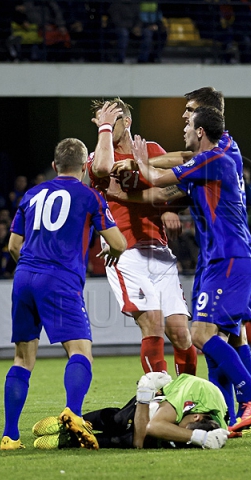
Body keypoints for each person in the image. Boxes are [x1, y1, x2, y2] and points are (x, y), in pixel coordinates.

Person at [114, 106, 251, 434]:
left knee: (201, 335)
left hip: (226, 258)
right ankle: (231, 417)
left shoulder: (214, 159)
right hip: (221, 259)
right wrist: (122, 194)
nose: (184, 129)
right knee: (218, 340)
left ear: (201, 130)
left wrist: (139, 161)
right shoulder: (203, 169)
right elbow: (160, 190)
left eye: (188, 122)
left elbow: (160, 176)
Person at [0, 119, 128, 450]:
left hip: (24, 277)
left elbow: (14, 245)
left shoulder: (32, 193)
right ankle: (73, 413)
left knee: (22, 359)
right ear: (86, 165)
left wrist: (31, 270)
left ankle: (10, 436)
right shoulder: (89, 196)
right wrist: (109, 249)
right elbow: (119, 242)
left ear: (55, 165)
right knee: (80, 351)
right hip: (59, 280)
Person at [89, 97, 196, 377]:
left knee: (181, 333)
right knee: (153, 322)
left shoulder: (150, 150)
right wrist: (105, 129)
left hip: (158, 248)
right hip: (123, 248)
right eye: (104, 122)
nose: (110, 127)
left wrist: (165, 209)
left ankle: (190, 402)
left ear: (128, 121)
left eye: (114, 120)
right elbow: (100, 170)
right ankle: (157, 401)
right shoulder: (99, 156)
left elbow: (179, 184)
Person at [32, 372, 229, 450]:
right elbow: (154, 426)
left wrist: (194, 437)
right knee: (120, 420)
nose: (177, 427)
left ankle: (66, 441)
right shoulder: (194, 393)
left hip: (159, 406)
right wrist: (144, 394)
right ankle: (68, 424)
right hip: (153, 396)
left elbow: (139, 443)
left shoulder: (214, 423)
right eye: (180, 426)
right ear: (196, 415)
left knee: (130, 440)